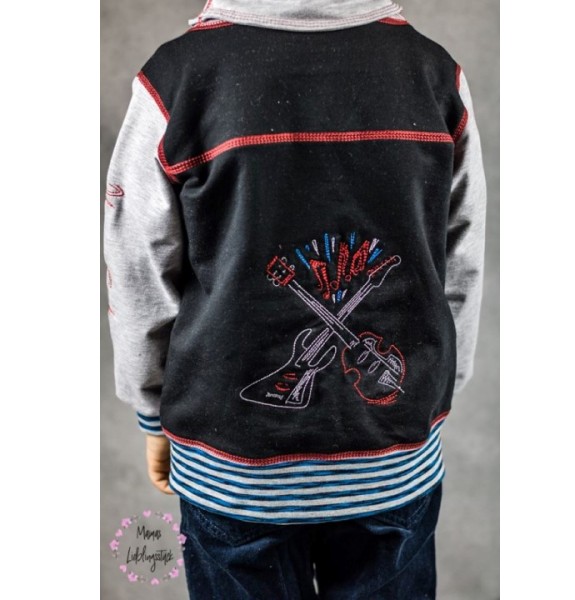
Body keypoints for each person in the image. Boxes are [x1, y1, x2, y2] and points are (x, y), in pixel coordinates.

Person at [103, 0, 487, 597]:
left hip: (231, 468)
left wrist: (150, 407)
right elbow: (461, 258)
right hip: (395, 453)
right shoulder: (433, 72)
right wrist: (434, 387)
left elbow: (137, 269)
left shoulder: (178, 77)